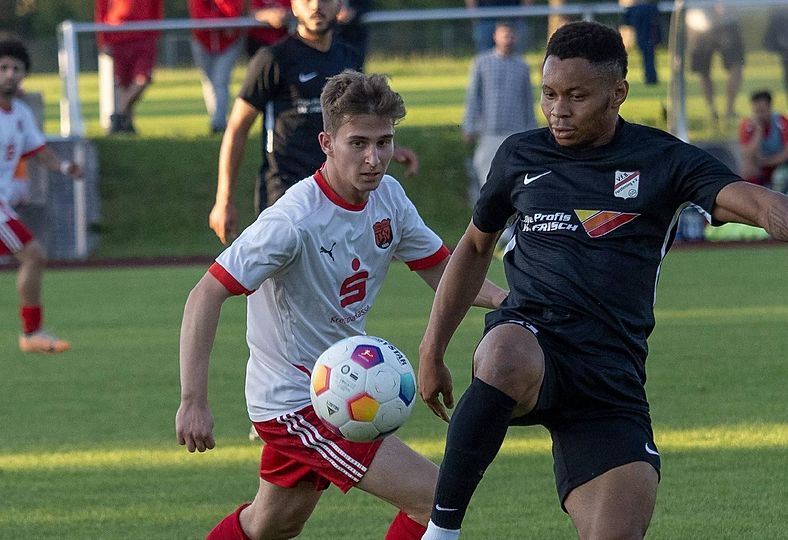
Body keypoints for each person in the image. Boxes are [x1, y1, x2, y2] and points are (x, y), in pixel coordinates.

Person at [417, 21, 788, 540]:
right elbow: (473, 247)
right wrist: (432, 351)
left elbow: (755, 200)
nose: (559, 109)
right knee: (505, 353)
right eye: (549, 94)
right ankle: (441, 532)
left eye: (577, 96)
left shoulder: (662, 160)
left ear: (618, 93)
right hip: (533, 340)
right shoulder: (520, 156)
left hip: (609, 377)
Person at [177, 70, 507, 540]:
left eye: (385, 142)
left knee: (271, 525)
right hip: (297, 400)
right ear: (327, 142)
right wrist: (193, 401)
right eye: (358, 143)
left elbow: (445, 271)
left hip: (338, 386)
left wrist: (511, 301)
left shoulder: (388, 196)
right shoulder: (292, 221)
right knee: (435, 497)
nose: (374, 159)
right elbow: (206, 293)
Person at [208, 0, 419, 246]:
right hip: (284, 193)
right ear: (293, 6)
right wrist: (224, 200)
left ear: (339, 4)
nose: (316, 5)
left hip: (337, 191)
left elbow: (361, 121)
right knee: (279, 282)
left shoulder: (348, 57)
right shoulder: (272, 59)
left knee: (336, 279)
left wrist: (391, 148)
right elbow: (237, 128)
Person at [0, 36, 83, 353]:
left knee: (32, 256)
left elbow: (39, 151)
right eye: (3, 67)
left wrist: (64, 167)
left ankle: (31, 332)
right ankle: (31, 333)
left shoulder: (19, 113)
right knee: (32, 254)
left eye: (16, 68)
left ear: (23, 75)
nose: (9, 73)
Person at [462, 20, 537, 205]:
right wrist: (469, 125)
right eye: (504, 34)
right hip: (490, 131)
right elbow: (474, 96)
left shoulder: (522, 66)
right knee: (486, 173)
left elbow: (528, 100)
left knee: (515, 176)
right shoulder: (482, 63)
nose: (508, 39)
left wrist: (531, 129)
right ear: (495, 36)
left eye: (511, 35)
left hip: (515, 131)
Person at [94, 0, 164, 134]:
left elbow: (156, 8)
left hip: (144, 36)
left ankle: (119, 114)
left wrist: (155, 35)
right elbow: (102, 9)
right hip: (118, 36)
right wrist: (103, 38)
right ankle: (127, 123)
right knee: (123, 83)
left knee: (142, 80)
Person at [188, 0, 245, 134]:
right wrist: (220, 22)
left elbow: (233, 11)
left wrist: (225, 22)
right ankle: (217, 119)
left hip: (228, 43)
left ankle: (218, 123)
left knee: (220, 80)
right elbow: (199, 15)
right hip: (203, 41)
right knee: (208, 81)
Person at [686, 1, 744, 121]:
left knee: (736, 65)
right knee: (704, 71)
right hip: (700, 23)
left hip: (725, 21)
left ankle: (729, 109)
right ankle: (713, 111)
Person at [738, 90, 788, 187]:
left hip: (780, 165)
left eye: (762, 111)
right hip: (760, 166)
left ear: (770, 108)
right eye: (756, 111)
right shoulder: (748, 125)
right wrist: (758, 131)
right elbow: (747, 153)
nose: (759, 115)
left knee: (780, 176)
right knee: (747, 170)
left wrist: (766, 162)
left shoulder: (781, 122)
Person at [466, 0, 533, 54]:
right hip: (485, 18)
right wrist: (474, 15)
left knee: (516, 58)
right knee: (485, 58)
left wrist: (523, 13)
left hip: (513, 17)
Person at [623, 0, 661, 86]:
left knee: (647, 54)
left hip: (644, 34)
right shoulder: (651, 8)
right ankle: (651, 78)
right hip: (649, 35)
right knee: (649, 54)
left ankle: (650, 78)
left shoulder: (636, 9)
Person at [336, 0, 374, 69]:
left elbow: (367, 5)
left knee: (356, 65)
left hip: (356, 32)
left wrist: (353, 13)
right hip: (335, 32)